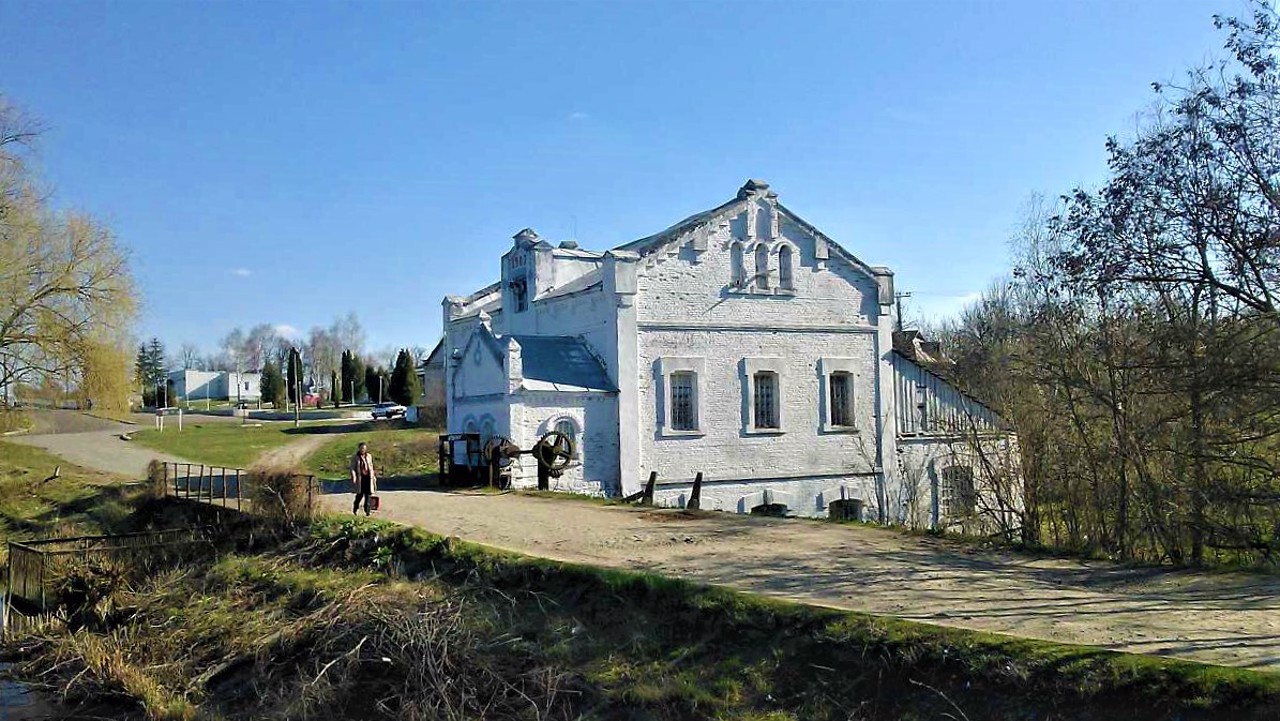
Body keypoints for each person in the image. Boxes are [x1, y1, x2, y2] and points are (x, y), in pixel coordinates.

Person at [349, 442, 377, 515]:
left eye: (364, 448)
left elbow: (371, 467)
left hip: (368, 478)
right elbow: (352, 468)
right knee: (359, 495)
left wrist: (373, 477)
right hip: (360, 479)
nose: (363, 450)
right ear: (359, 448)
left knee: (368, 495)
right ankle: (355, 508)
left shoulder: (369, 456)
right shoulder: (355, 457)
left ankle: (367, 511)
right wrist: (354, 476)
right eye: (361, 448)